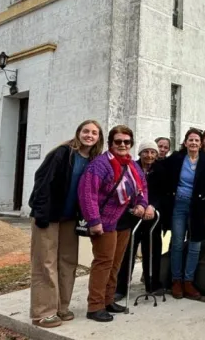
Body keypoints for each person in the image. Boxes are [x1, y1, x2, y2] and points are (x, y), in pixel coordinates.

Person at [28, 120, 104, 328]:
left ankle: (61, 307)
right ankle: (43, 312)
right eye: (86, 131)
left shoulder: (94, 160)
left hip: (70, 219)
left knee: (67, 263)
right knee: (46, 263)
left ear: (99, 138)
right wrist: (41, 213)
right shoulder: (62, 153)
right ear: (78, 132)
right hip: (49, 216)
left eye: (94, 133)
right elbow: (42, 181)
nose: (89, 135)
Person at [78, 125, 151, 322]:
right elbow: (87, 194)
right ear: (110, 143)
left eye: (126, 142)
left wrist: (142, 205)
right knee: (103, 263)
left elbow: (142, 187)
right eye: (118, 141)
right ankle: (95, 306)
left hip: (125, 222)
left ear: (131, 144)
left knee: (115, 264)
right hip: (104, 223)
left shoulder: (132, 165)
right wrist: (94, 220)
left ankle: (108, 300)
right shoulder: (100, 165)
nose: (122, 145)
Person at [153, 128, 205, 299]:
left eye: (197, 140)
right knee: (176, 242)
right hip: (179, 205)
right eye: (191, 140)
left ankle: (188, 281)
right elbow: (160, 168)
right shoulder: (176, 158)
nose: (194, 143)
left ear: (201, 143)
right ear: (185, 142)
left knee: (195, 244)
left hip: (198, 207)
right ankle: (176, 280)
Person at [114, 141, 163, 301]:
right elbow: (124, 188)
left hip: (151, 216)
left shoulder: (160, 170)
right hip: (133, 214)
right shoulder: (130, 167)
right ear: (140, 153)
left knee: (152, 250)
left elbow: (164, 192)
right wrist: (136, 206)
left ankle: (152, 284)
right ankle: (121, 287)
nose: (149, 155)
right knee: (128, 250)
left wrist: (152, 206)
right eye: (146, 152)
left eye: (152, 152)